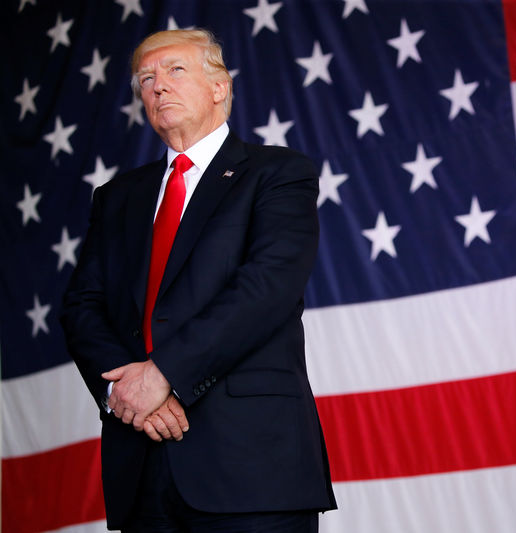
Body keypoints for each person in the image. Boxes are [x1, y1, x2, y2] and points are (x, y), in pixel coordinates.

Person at [61, 29, 336, 532]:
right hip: (142, 463)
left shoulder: (278, 173)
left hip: (252, 468)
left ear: (219, 88)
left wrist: (162, 374)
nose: (158, 86)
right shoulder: (117, 196)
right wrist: (127, 394)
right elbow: (82, 306)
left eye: (175, 70)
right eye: (146, 79)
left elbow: (267, 288)